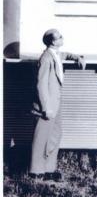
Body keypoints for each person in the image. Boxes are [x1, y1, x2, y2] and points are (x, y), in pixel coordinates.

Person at [29, 29, 85, 180]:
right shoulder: (46, 58)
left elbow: (65, 54)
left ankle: (49, 169)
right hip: (46, 106)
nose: (62, 38)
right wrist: (46, 107)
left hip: (56, 102)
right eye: (60, 37)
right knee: (41, 137)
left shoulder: (56, 54)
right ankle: (36, 172)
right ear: (53, 41)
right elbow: (40, 84)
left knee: (55, 134)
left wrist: (77, 57)